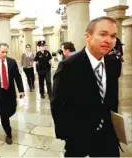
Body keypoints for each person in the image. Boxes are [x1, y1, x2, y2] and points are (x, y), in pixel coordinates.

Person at [51, 16, 122, 157]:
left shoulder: (113, 63)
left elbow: (112, 96)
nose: (108, 40)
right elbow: (57, 103)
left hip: (108, 134)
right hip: (79, 134)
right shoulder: (68, 66)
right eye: (103, 34)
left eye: (113, 36)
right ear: (87, 36)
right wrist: (66, 134)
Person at [0, 43, 25, 144]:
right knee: (3, 115)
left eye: (6, 52)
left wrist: (21, 90)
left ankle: (7, 116)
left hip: (10, 92)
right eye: (3, 52)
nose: (5, 54)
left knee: (12, 109)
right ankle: (8, 133)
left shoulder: (12, 62)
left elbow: (17, 77)